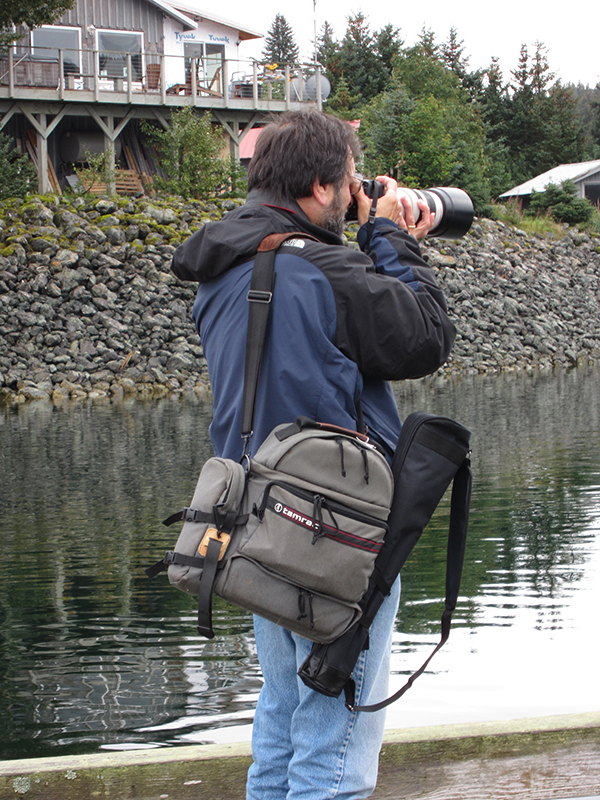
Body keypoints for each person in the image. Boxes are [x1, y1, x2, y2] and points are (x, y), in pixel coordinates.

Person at [171, 109, 456, 800]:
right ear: (324, 186)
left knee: (285, 715)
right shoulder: (327, 267)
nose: (354, 192)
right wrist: (389, 235)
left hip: (254, 520)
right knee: (335, 745)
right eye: (350, 181)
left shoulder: (223, 264)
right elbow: (426, 337)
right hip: (337, 534)